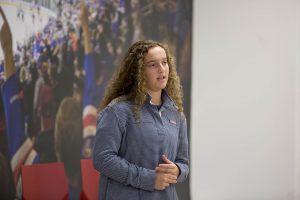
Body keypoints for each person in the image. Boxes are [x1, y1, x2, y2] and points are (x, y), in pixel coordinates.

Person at [93, 40, 189, 200]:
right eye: (152, 65)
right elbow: (103, 159)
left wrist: (178, 171)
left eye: (164, 62)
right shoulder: (117, 111)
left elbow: (184, 163)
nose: (161, 69)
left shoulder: (177, 115)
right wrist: (150, 179)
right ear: (138, 72)